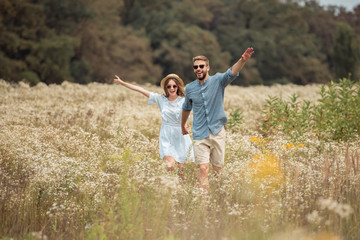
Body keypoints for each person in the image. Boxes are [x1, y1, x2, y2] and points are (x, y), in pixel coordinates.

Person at [181, 48, 254, 192]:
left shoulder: (218, 80)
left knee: (217, 171)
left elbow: (231, 72)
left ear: (208, 67)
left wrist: (243, 60)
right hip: (199, 133)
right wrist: (183, 124)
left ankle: (219, 199)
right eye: (196, 67)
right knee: (203, 168)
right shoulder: (189, 88)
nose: (198, 69)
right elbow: (186, 108)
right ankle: (205, 203)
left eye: (201, 66)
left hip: (217, 131)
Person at [114, 74, 194, 178]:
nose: (172, 88)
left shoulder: (184, 100)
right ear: (165, 88)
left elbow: (187, 114)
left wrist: (185, 125)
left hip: (181, 135)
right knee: (170, 166)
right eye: (169, 86)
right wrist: (123, 83)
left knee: (181, 170)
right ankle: (168, 186)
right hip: (167, 134)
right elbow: (141, 90)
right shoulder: (160, 99)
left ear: (178, 86)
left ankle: (180, 191)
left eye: (174, 86)